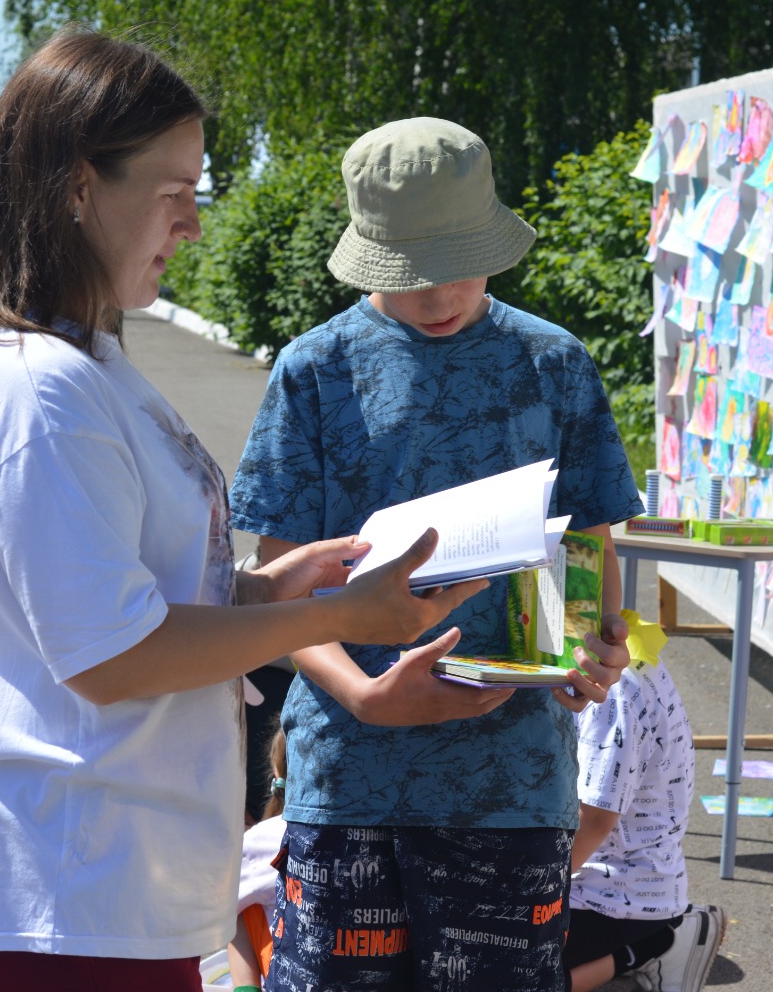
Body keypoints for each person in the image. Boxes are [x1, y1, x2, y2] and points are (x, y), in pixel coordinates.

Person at [0, 27, 482, 992]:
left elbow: (113, 597)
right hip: (63, 888)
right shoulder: (41, 390)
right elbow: (110, 656)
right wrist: (336, 616)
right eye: (175, 192)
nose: (194, 224)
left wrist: (258, 590)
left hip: (101, 883)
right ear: (79, 187)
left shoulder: (80, 364)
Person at [229, 116, 642, 991]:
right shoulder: (314, 370)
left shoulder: (554, 364)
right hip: (348, 778)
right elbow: (277, 590)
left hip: (514, 783)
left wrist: (592, 646)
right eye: (412, 271)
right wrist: (365, 697)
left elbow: (589, 544)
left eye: (462, 261)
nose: (440, 292)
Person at [565, 660, 725, 992]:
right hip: (608, 882)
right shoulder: (614, 667)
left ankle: (653, 946)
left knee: (493, 970)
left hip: (613, 893)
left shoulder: (611, 687)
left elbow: (594, 820)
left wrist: (523, 897)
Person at [227, 729, 289, 991]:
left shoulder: (259, 840)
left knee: (235, 905)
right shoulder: (394, 834)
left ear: (277, 771)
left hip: (286, 981)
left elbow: (222, 912)